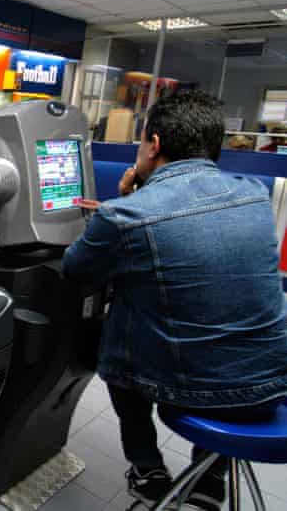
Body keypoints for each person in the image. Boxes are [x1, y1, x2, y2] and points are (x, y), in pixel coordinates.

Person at [63, 91, 287, 511]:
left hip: (193, 393)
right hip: (272, 385)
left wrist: (123, 203)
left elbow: (75, 270)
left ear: (155, 144)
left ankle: (148, 468)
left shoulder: (124, 216)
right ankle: (211, 477)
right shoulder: (254, 196)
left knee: (118, 329)